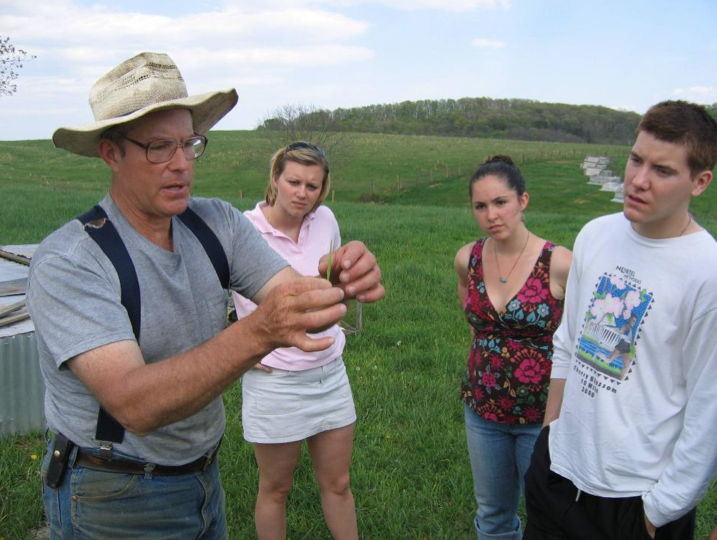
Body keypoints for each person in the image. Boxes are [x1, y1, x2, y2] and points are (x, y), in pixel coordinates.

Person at [27, 52, 384, 540]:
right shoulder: (70, 261)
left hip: (201, 475)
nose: (180, 165)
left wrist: (338, 282)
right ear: (111, 153)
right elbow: (135, 405)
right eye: (157, 147)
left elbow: (294, 308)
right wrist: (260, 330)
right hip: (112, 492)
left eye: (189, 144)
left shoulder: (216, 222)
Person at [523, 100, 717, 540]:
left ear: (700, 182)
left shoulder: (707, 272)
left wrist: (657, 514)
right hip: (559, 475)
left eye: (663, 171)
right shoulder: (596, 234)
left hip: (636, 500)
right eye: (635, 159)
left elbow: (709, 411)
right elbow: (569, 342)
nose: (639, 180)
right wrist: (550, 438)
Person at [232, 142, 358, 540]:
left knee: (338, 485)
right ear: (275, 179)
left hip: (329, 374)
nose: (303, 193)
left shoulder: (326, 222)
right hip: (275, 380)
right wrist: (239, 347)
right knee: (276, 489)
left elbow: (334, 281)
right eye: (294, 182)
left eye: (313, 186)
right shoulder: (244, 228)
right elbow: (206, 292)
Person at [454, 156, 572, 540]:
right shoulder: (467, 259)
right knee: (492, 514)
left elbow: (584, 345)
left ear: (523, 201)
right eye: (480, 206)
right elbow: (476, 329)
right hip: (484, 412)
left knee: (549, 516)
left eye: (501, 202)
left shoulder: (559, 263)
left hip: (542, 420)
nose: (491, 215)